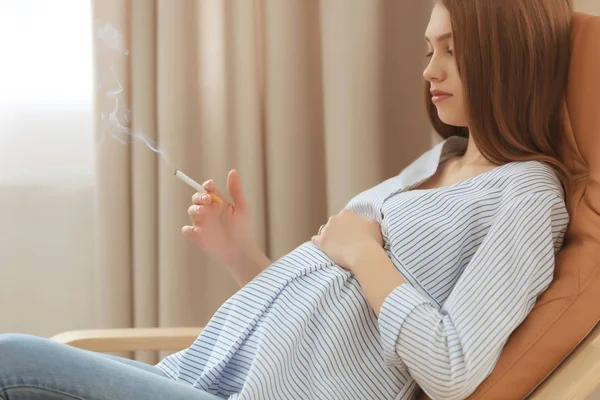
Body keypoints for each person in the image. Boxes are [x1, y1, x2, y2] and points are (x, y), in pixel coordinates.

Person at [0, 1, 572, 399]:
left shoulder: (524, 194)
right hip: (200, 381)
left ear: (510, 56)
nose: (430, 70)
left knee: (14, 361)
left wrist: (365, 254)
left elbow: (452, 369)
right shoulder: (441, 160)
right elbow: (326, 322)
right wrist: (240, 253)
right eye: (428, 49)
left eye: (452, 49)